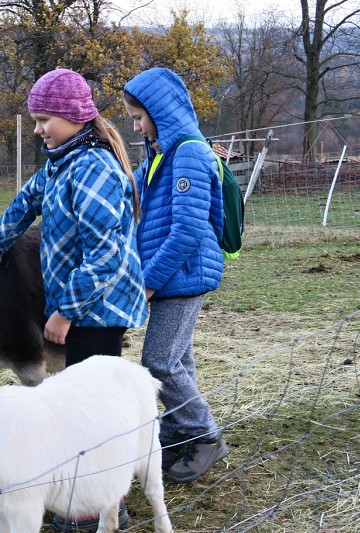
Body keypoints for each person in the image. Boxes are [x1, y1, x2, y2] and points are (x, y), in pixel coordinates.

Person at [0, 68, 148, 531]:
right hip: (80, 300)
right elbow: (26, 202)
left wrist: (66, 310)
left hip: (99, 306)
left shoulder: (96, 169)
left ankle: (101, 509)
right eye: (35, 118)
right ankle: (84, 500)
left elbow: (106, 256)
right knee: (77, 400)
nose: (38, 128)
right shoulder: (61, 161)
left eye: (45, 118)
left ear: (73, 116)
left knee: (90, 407)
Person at [122, 67, 229, 484]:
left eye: (138, 117)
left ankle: (204, 436)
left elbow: (187, 230)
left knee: (159, 361)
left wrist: (148, 280)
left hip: (180, 275)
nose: (135, 126)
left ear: (159, 111)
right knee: (179, 357)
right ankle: (178, 429)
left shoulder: (189, 153)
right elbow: (133, 189)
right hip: (170, 275)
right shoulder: (161, 153)